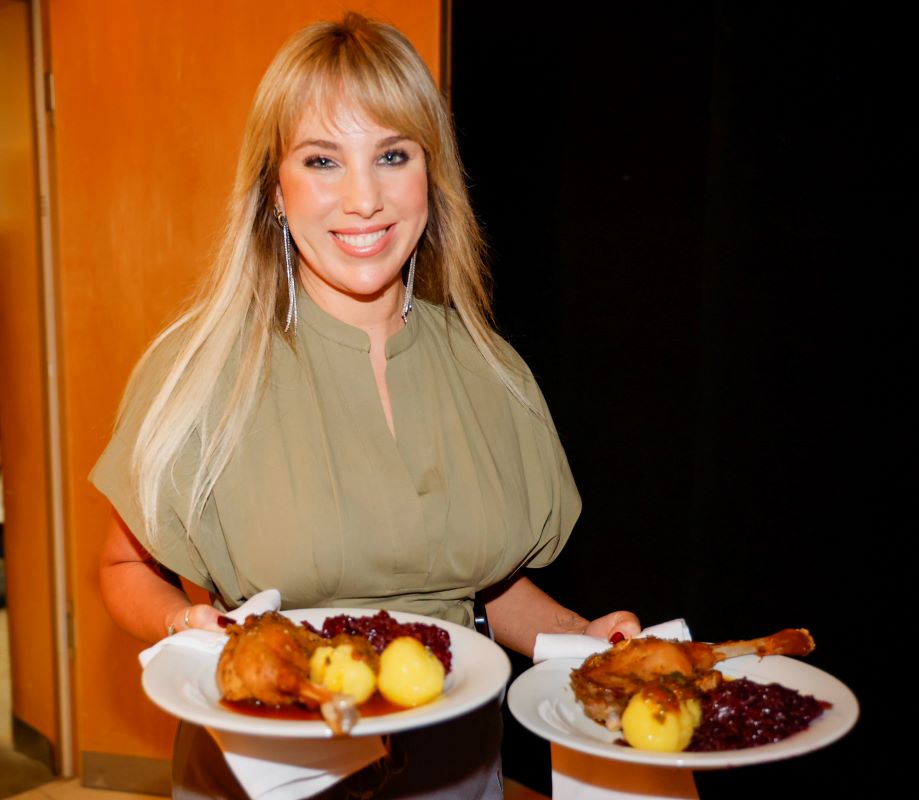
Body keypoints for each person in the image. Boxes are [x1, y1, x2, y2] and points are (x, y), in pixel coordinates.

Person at [92, 13, 639, 799]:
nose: (363, 198)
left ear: (430, 174)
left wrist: (581, 640)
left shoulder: (494, 372)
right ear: (275, 189)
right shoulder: (200, 371)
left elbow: (485, 581)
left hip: (458, 770)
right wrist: (186, 626)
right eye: (322, 159)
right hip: (265, 765)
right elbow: (121, 566)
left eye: (391, 155)